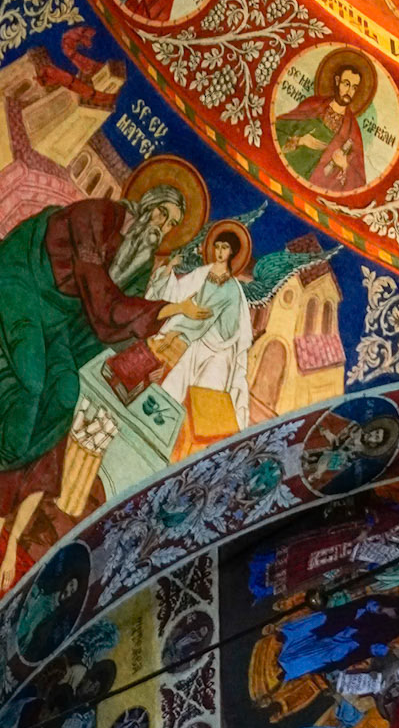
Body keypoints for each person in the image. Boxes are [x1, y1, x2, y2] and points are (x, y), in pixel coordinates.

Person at [0, 186, 208, 590]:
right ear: (146, 203)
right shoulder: (96, 215)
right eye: (161, 212)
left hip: (60, 321)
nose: (160, 226)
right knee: (31, 383)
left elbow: (107, 325)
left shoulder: (140, 262)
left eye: (169, 224)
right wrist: (172, 309)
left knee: (62, 395)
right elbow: (101, 298)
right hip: (24, 282)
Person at [147, 223, 255, 445]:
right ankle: (155, 435)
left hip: (218, 351)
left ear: (232, 252)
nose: (219, 251)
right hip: (196, 341)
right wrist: (168, 271)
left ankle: (182, 447)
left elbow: (218, 323)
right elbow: (177, 294)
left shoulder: (233, 290)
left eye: (225, 247)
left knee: (202, 403)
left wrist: (187, 328)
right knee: (173, 386)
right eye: (217, 246)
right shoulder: (203, 273)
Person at [274, 54, 372, 196]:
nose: (349, 91)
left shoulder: (353, 129)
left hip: (317, 184)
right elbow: (277, 128)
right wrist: (300, 140)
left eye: (354, 87)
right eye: (346, 84)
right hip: (287, 169)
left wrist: (344, 165)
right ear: (337, 81)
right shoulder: (313, 105)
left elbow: (359, 182)